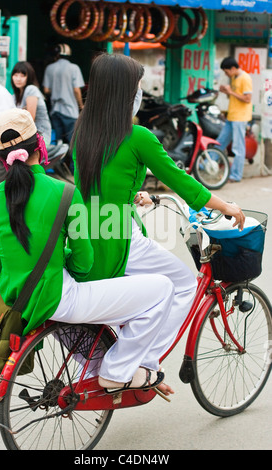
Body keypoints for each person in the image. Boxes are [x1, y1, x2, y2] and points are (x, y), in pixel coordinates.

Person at [0, 107, 176, 397]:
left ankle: (107, 376)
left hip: (22, 302)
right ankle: (117, 373)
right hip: (61, 299)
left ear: (0, 159)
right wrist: (62, 265)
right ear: (40, 146)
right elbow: (84, 260)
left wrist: (19, 269)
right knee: (163, 288)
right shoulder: (64, 192)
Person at [70, 53, 245, 371]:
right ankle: (142, 363)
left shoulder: (83, 130)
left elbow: (96, 184)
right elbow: (183, 182)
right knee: (183, 285)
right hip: (119, 235)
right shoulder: (138, 136)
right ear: (124, 93)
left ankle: (124, 352)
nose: (139, 94)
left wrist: (132, 194)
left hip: (85, 229)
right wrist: (226, 206)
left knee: (146, 288)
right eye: (137, 87)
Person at [217, 57, 253, 182]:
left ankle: (236, 175)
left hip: (240, 117)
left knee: (238, 147)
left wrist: (230, 92)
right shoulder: (234, 77)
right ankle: (204, 165)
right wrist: (226, 91)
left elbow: (247, 98)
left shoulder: (245, 78)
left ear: (233, 68)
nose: (226, 74)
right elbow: (235, 95)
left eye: (227, 71)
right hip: (231, 115)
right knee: (220, 142)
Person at [43, 44, 84, 146]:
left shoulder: (49, 68)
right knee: (72, 142)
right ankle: (71, 162)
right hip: (70, 111)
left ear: (56, 55)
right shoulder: (74, 68)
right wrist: (81, 105)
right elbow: (77, 90)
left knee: (58, 142)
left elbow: (46, 90)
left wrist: (57, 90)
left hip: (55, 111)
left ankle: (59, 162)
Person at [11, 61, 52, 145]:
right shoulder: (14, 97)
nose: (18, 79)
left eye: (22, 76)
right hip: (26, 137)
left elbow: (30, 118)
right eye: (15, 75)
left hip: (40, 137)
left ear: (29, 77)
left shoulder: (31, 89)